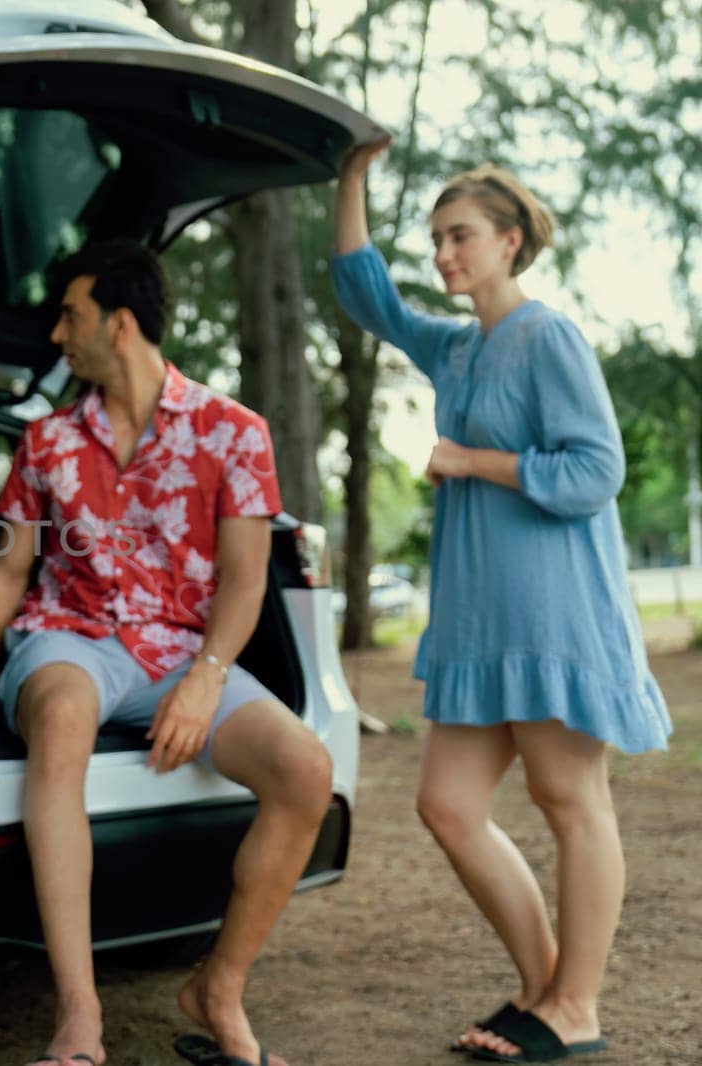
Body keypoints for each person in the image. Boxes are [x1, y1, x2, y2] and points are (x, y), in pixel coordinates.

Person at [0, 239, 334, 1066]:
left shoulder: (233, 433)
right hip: (66, 640)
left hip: (183, 651)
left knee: (306, 772)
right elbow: (9, 572)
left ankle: (218, 987)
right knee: (65, 713)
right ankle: (80, 1018)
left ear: (122, 322)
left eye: (71, 317)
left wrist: (206, 680)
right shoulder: (45, 442)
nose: (59, 337)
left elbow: (246, 582)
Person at [332, 142, 671, 1063]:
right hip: (482, 625)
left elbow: (599, 468)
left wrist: (470, 461)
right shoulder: (456, 344)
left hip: (555, 614)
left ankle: (578, 1009)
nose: (445, 254)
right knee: (446, 803)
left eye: (462, 236)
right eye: (437, 238)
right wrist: (351, 175)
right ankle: (544, 983)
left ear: (510, 242)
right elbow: (370, 300)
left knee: (571, 799)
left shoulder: (548, 335)